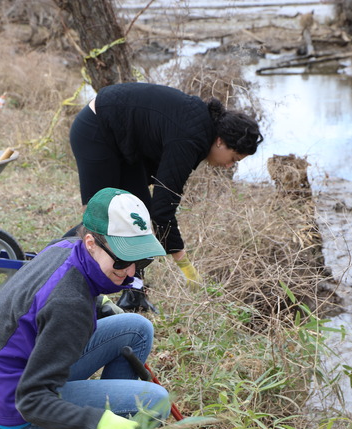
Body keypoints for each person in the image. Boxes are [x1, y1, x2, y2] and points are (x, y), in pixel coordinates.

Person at [0, 188, 171, 429]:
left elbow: (56, 295)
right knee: (154, 401)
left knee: (136, 329)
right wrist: (101, 423)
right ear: (92, 242)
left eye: (141, 260)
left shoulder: (69, 246)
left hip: (1, 375)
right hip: (11, 403)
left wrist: (101, 303)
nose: (131, 273)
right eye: (122, 260)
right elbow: (32, 400)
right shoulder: (70, 305)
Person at [69, 82, 263, 311]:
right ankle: (57, 269)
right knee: (99, 222)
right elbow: (163, 211)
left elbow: (156, 208)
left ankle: (134, 293)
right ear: (220, 141)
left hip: (123, 142)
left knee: (137, 217)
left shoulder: (200, 130)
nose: (229, 165)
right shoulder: (191, 139)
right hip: (97, 130)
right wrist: (187, 268)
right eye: (233, 158)